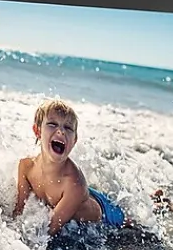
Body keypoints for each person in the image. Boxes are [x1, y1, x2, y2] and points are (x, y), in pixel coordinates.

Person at [13, 98, 126, 234]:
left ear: (74, 141)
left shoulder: (73, 184)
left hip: (107, 214)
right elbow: (19, 212)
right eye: (52, 124)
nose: (61, 131)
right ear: (37, 131)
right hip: (84, 194)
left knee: (130, 223)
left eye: (68, 128)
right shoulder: (26, 167)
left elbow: (48, 230)